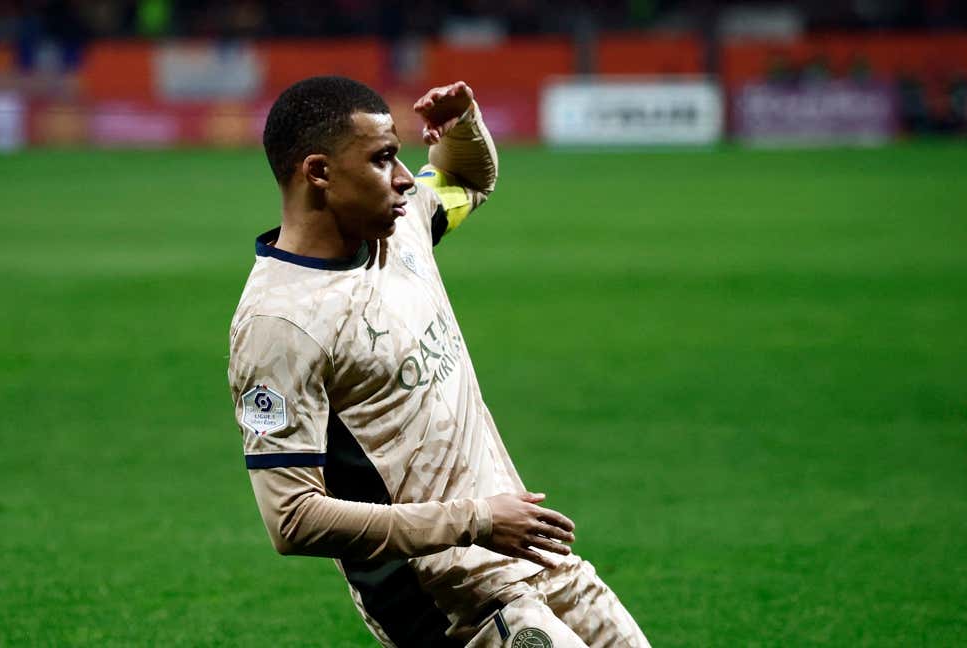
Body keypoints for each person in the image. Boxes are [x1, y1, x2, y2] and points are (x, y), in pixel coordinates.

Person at [228, 75, 651, 647]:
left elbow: (468, 176)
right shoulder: (279, 327)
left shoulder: (400, 230)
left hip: (535, 558)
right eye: (382, 160)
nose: (405, 178)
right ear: (319, 172)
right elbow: (293, 519)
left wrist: (462, 128)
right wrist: (476, 520)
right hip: (452, 600)